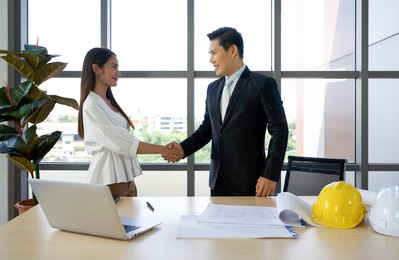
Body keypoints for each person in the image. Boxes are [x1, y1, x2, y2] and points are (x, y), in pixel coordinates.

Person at [165, 27, 288, 197]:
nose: (211, 60)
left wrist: (270, 175)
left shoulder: (262, 85)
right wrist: (182, 148)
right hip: (218, 182)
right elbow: (207, 129)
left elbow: (280, 131)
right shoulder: (213, 89)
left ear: (232, 50)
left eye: (214, 53)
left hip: (252, 182)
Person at [78, 47, 182, 197]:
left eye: (117, 67)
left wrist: (130, 180)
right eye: (113, 67)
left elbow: (124, 145)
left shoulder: (107, 102)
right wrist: (165, 149)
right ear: (96, 68)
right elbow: (122, 143)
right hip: (108, 175)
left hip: (123, 175)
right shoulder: (92, 105)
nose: (118, 73)